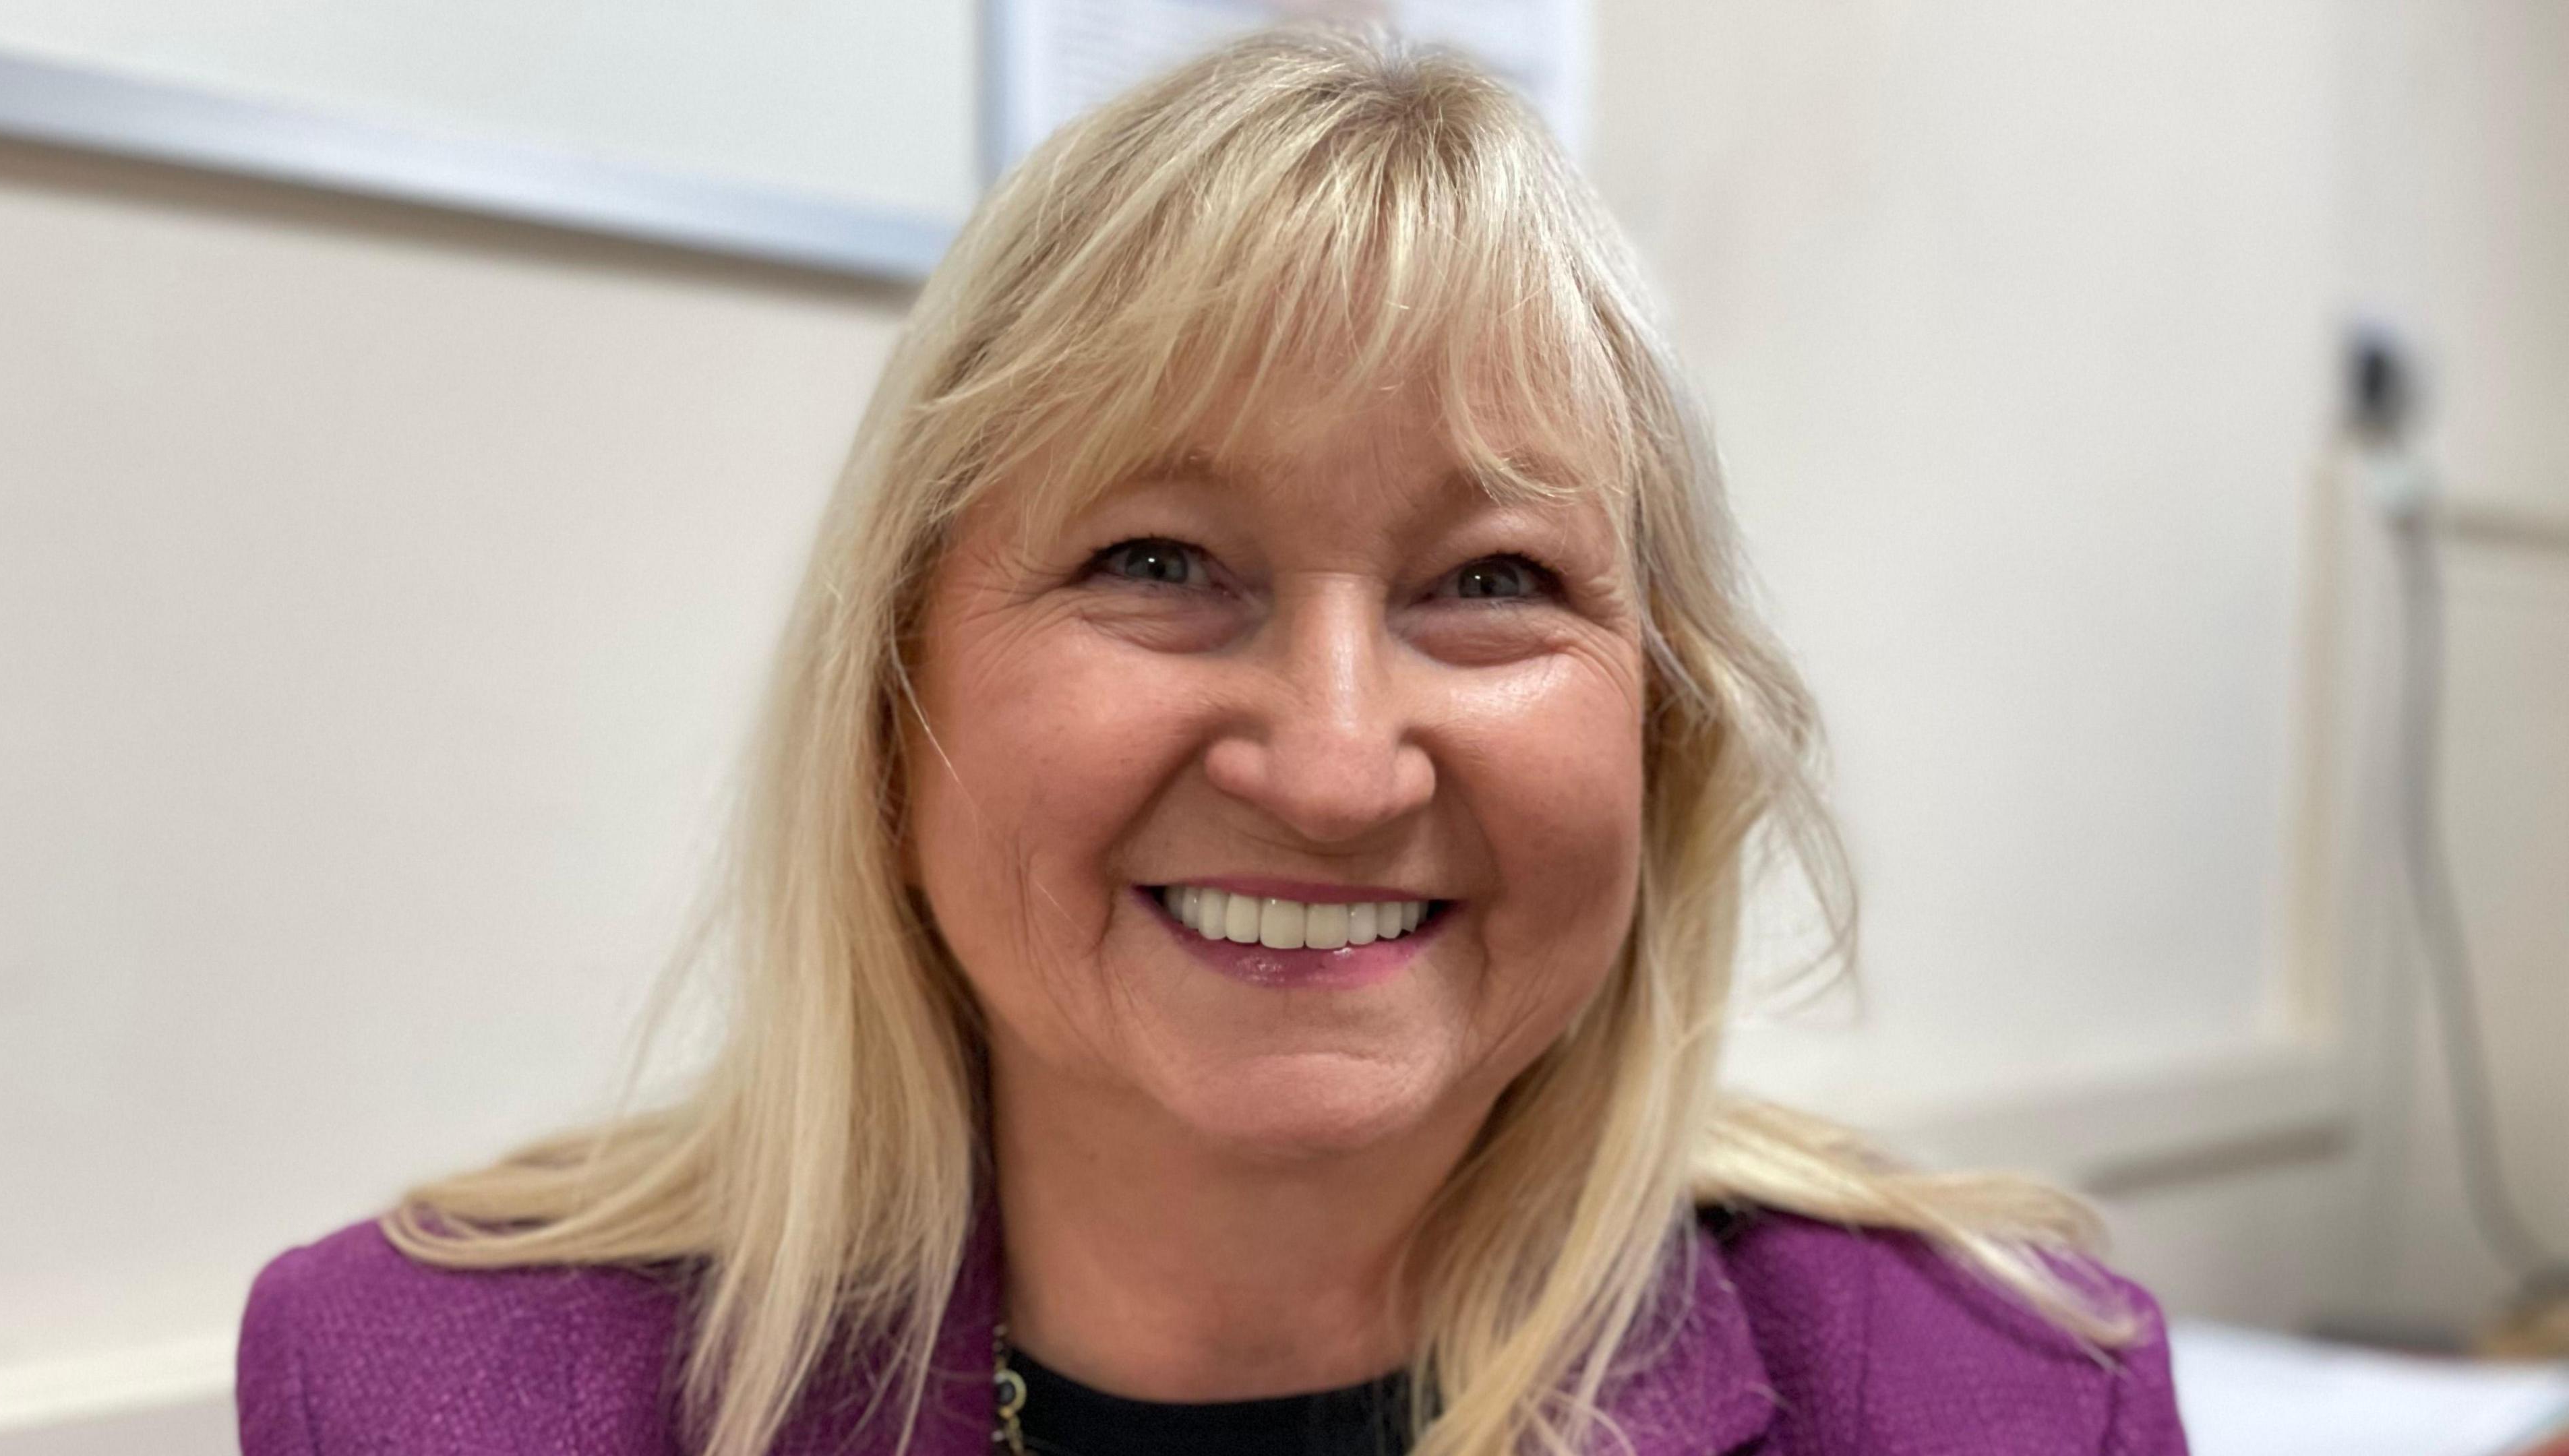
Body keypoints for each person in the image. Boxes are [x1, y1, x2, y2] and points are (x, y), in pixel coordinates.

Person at [237, 27, 2185, 1456]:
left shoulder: (2009, 1399)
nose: (1337, 769)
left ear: (1663, 726)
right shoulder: (417, 1393)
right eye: (1160, 559)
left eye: (1492, 582)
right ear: (894, 699)